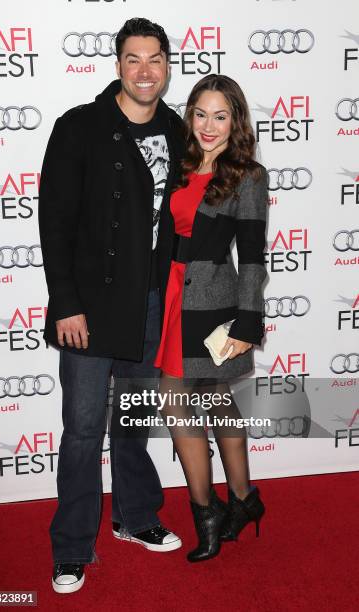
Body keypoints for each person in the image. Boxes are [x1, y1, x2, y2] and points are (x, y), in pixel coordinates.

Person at [38, 18, 184, 594]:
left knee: (134, 420)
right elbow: (55, 223)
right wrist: (65, 305)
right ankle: (72, 547)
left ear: (167, 66)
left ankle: (136, 516)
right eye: (133, 59)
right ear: (117, 64)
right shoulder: (81, 126)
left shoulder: (177, 130)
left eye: (155, 59)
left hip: (150, 301)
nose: (145, 70)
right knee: (81, 429)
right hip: (90, 307)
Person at [154, 74, 268, 562]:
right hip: (171, 299)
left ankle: (223, 508)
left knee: (211, 402)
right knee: (186, 403)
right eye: (200, 113)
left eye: (220, 116)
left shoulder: (247, 175)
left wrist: (248, 322)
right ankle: (230, 504)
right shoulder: (177, 165)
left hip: (215, 307)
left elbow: (254, 256)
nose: (208, 125)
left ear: (235, 121)